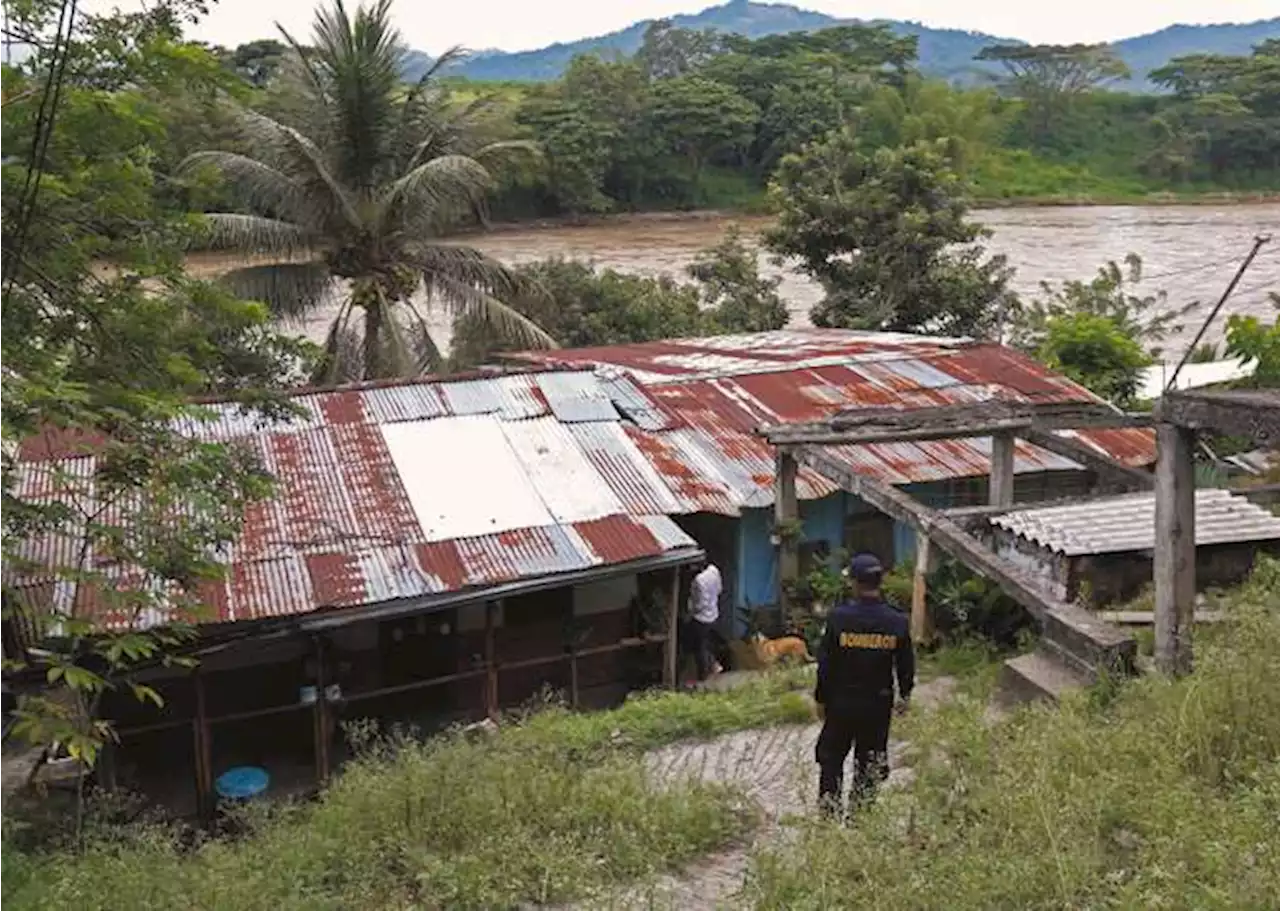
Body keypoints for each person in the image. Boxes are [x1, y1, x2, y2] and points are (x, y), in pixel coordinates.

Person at [813, 552, 915, 820]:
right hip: (877, 705)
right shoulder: (897, 621)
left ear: (855, 584)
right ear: (880, 582)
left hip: (841, 704)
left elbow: (826, 663)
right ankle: (861, 818)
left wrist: (821, 698)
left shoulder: (839, 618)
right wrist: (905, 695)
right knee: (869, 763)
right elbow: (906, 663)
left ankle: (829, 816)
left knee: (831, 759)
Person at [688, 558, 722, 681]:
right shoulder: (714, 570)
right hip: (714, 614)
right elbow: (719, 590)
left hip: (701, 618)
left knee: (699, 647)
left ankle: (703, 676)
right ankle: (714, 665)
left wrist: (691, 611)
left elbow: (699, 604)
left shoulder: (698, 580)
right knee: (708, 644)